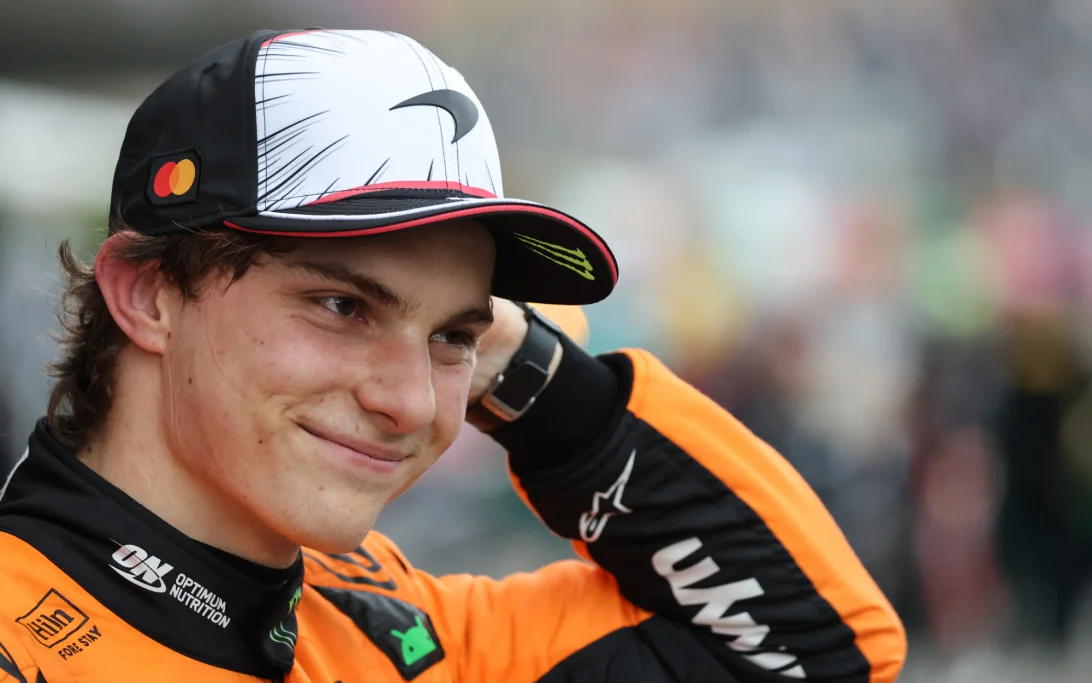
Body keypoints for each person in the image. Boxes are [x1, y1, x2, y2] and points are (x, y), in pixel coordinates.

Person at [0, 29, 905, 683]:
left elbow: (820, 646)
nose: (411, 401)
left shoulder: (390, 624)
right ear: (148, 294)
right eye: (342, 305)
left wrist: (525, 371)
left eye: (453, 337)